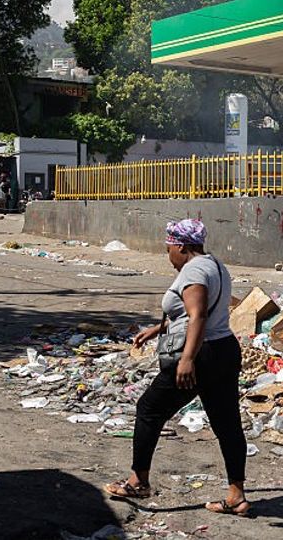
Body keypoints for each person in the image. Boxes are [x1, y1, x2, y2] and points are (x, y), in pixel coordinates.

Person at [104, 219, 249, 517]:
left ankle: (138, 481)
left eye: (169, 247)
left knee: (149, 408)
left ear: (181, 245)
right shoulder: (215, 265)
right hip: (224, 350)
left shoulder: (193, 270)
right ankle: (237, 495)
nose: (168, 253)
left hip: (202, 354)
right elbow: (196, 311)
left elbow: (197, 317)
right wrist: (155, 330)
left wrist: (186, 360)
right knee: (227, 425)